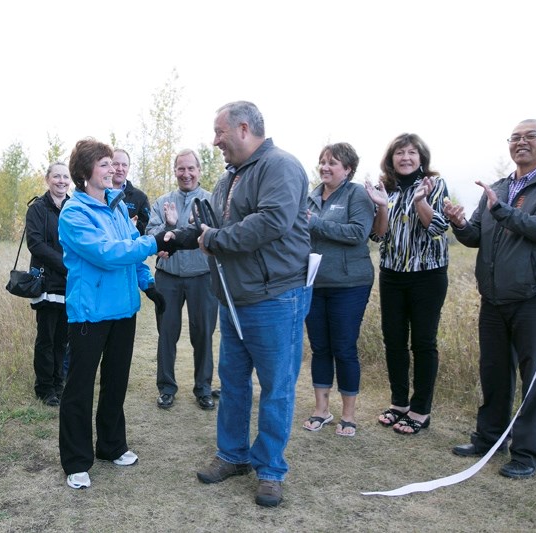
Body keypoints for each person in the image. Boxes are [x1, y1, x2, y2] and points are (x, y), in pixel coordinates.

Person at [186, 101, 311, 508]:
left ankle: (271, 469)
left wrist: (215, 240)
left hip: (275, 298)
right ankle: (232, 455)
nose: (214, 140)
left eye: (219, 131)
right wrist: (195, 237)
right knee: (234, 382)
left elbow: (272, 222)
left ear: (243, 128)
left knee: (276, 388)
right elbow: (218, 229)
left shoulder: (280, 166)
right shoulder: (229, 178)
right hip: (233, 299)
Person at [447, 119, 536, 479]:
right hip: (494, 298)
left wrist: (502, 210)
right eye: (515, 137)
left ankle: (528, 454)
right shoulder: (498, 187)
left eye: (531, 136)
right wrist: (458, 222)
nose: (521, 142)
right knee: (494, 372)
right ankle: (489, 439)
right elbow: (475, 236)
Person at [58, 138, 178, 490]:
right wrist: (156, 241)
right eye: (105, 164)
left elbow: (131, 255)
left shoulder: (118, 208)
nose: (114, 169)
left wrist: (148, 285)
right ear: (84, 172)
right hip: (90, 312)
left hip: (123, 309)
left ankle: (111, 445)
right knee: (80, 387)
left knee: (116, 381)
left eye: (113, 163)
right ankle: (77, 461)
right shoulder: (74, 213)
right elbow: (108, 253)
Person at [365, 133, 450, 436]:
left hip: (427, 275)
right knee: (394, 340)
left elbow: (438, 228)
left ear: (421, 158)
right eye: (400, 153)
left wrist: (421, 201)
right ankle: (399, 403)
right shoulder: (383, 189)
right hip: (392, 274)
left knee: (423, 343)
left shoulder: (434, 185)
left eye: (412, 153)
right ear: (391, 159)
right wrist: (382, 206)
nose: (406, 158)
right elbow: (377, 236)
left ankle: (420, 410)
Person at [303, 143, 374, 437]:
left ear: (348, 169)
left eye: (332, 163)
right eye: (322, 162)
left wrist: (316, 225)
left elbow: (359, 232)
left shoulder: (356, 194)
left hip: (350, 284)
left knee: (343, 348)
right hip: (314, 283)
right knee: (320, 347)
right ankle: (321, 410)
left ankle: (349, 414)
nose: (325, 167)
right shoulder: (309, 198)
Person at [146, 149, 218, 411]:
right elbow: (151, 235)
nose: (185, 174)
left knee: (203, 334)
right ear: (175, 170)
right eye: (180, 168)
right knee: (167, 333)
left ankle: (204, 388)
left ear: (199, 170)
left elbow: (219, 234)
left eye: (191, 168)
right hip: (168, 277)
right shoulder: (163, 201)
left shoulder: (211, 200)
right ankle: (166, 388)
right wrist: (169, 225)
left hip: (203, 277)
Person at [25, 162, 71, 407]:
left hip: (69, 283)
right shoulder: (37, 209)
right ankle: (44, 388)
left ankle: (59, 384)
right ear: (47, 179)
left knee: (63, 338)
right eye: (56, 176)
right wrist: (66, 264)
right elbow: (36, 244)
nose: (61, 181)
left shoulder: (74, 207)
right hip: (45, 281)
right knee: (46, 337)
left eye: (65, 177)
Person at [112, 148, 151, 234]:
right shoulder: (98, 194)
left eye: (124, 165)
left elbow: (148, 228)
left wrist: (134, 226)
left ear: (129, 168)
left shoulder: (141, 197)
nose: (120, 168)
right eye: (116, 164)